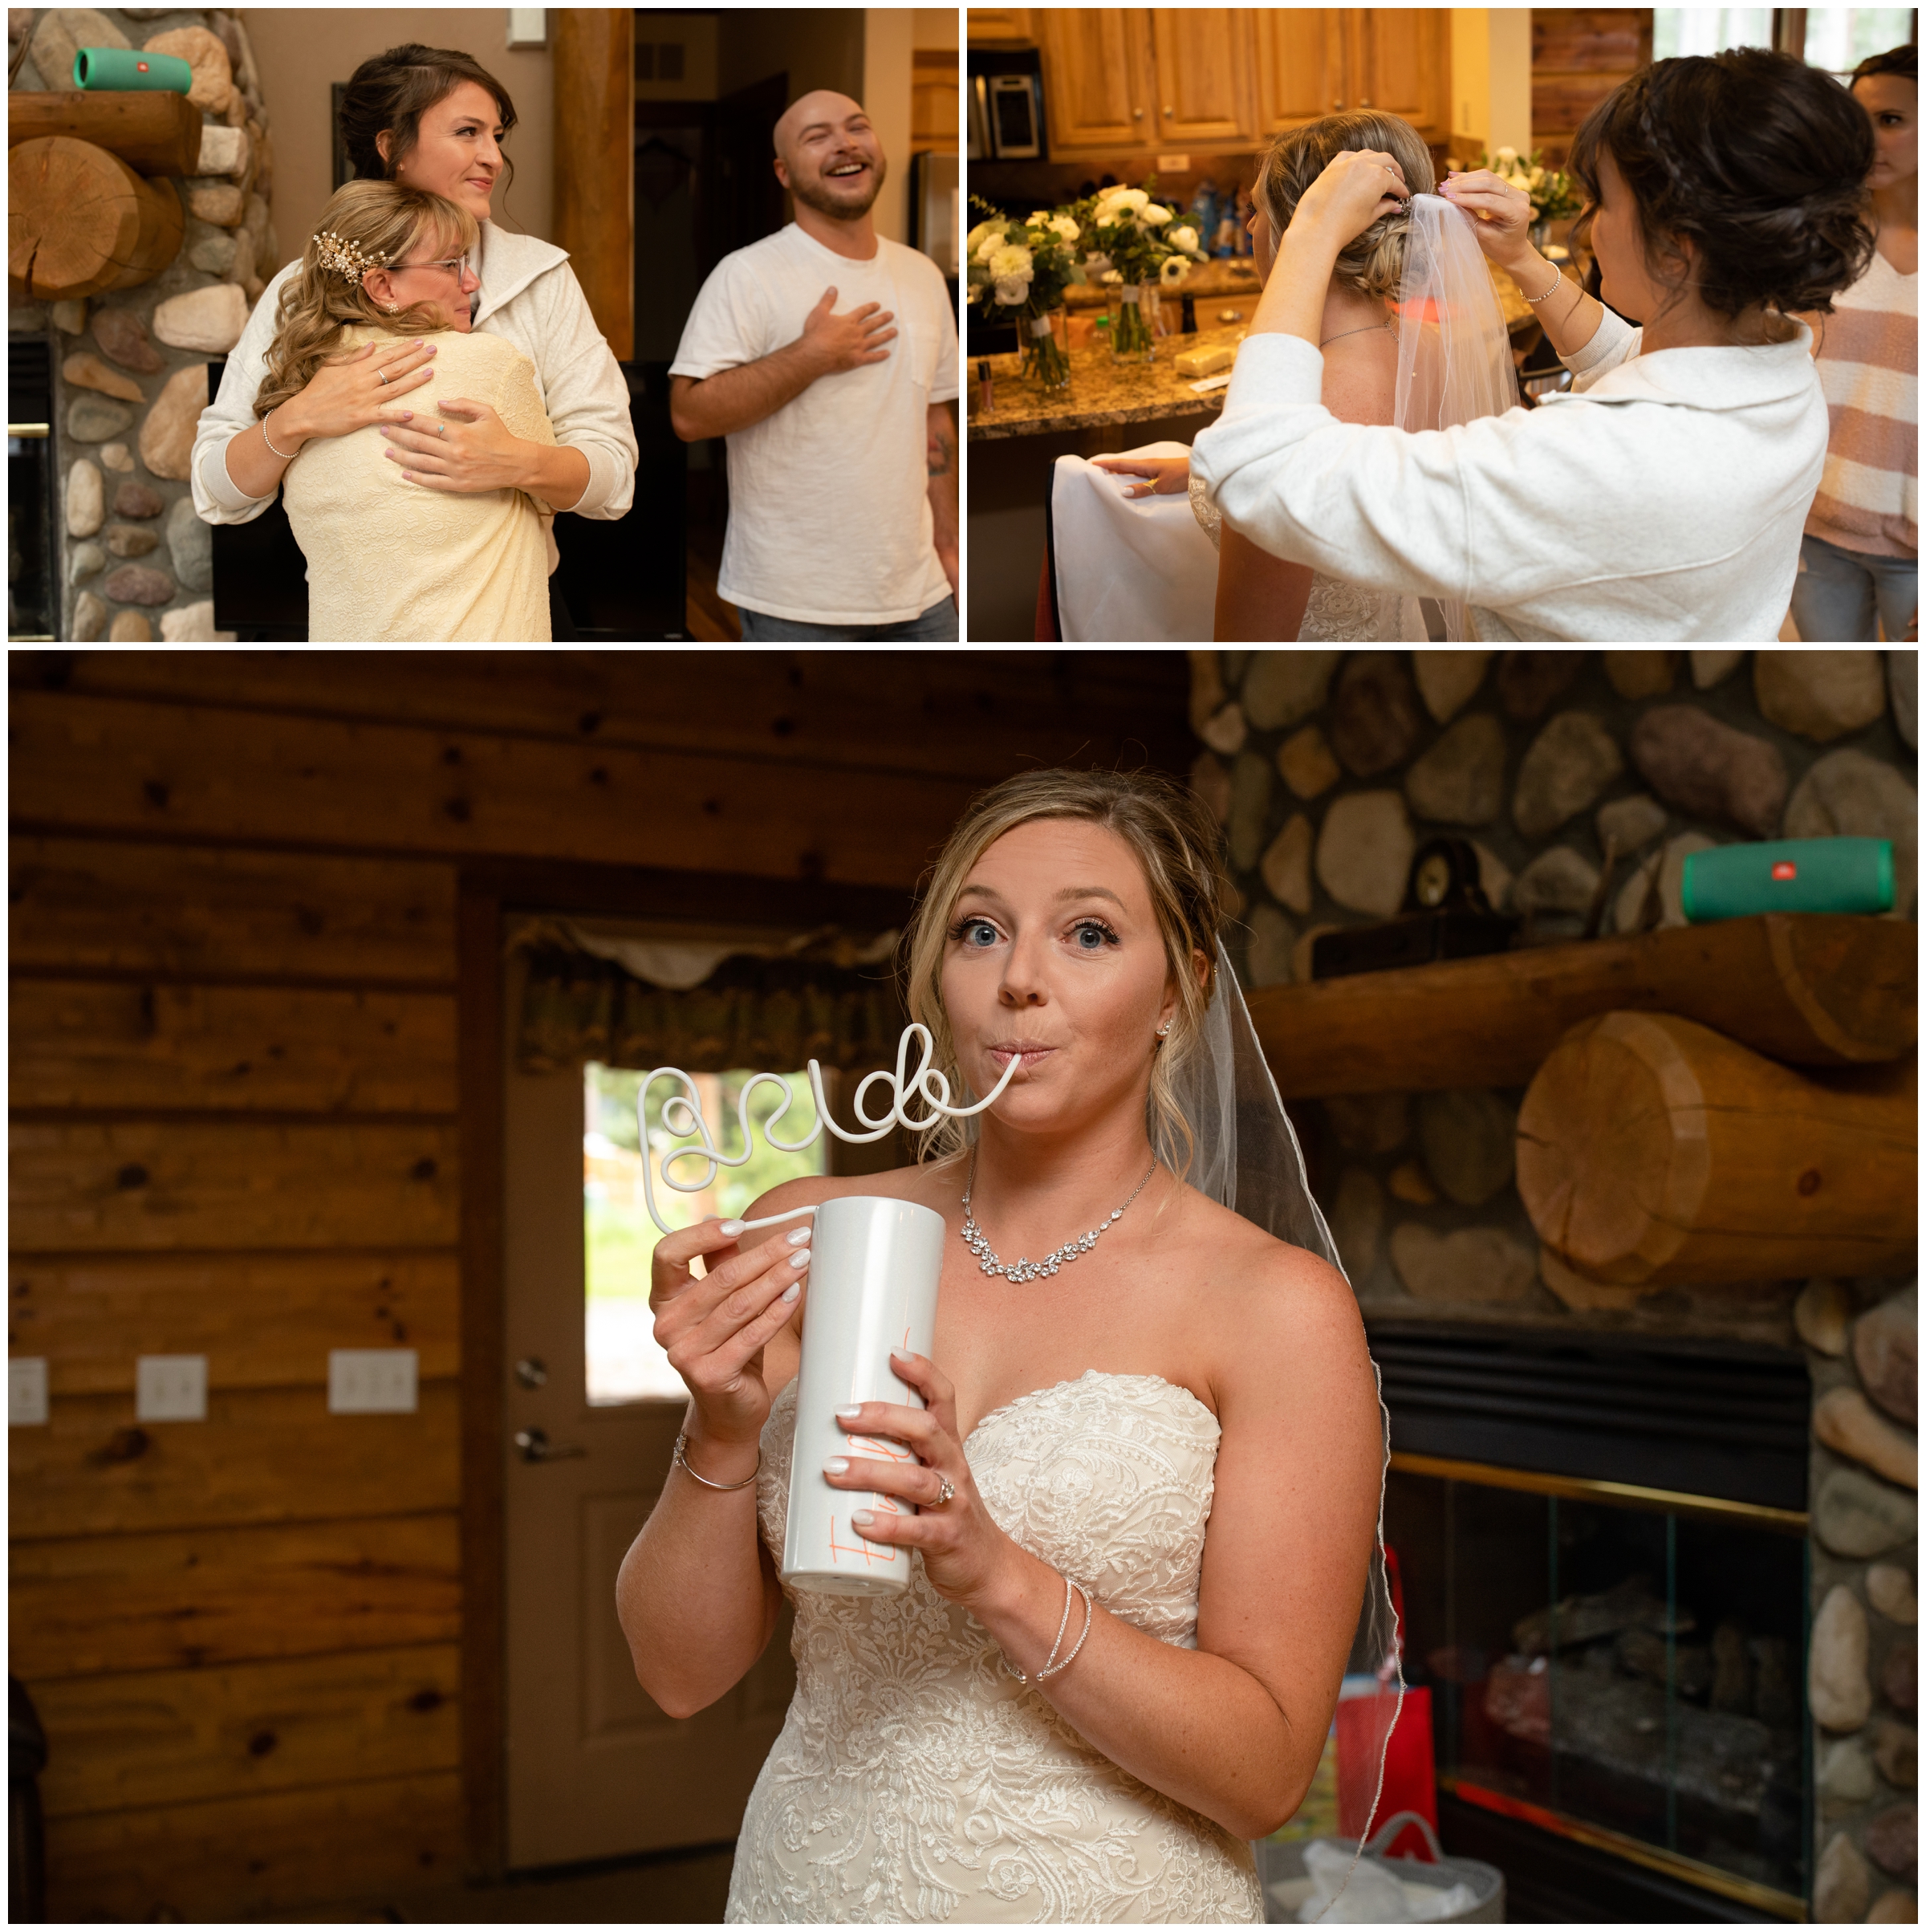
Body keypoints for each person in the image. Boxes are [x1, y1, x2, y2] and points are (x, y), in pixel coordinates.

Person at [616, 767, 1385, 1924]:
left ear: (1177, 988)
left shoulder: (1274, 1305)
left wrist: (998, 1573)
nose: (1021, 977)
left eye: (1087, 932)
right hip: (813, 1883)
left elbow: (1269, 1771)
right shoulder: (812, 1231)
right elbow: (678, 1675)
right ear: (938, 982)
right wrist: (718, 1427)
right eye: (981, 930)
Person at [1190, 49, 1876, 643]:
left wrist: (1307, 234)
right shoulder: (1782, 367)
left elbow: (1258, 475)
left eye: (1601, 201)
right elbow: (1630, 359)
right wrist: (1522, 260)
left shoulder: (1590, 462)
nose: (1588, 228)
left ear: (1677, 250)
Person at [192, 43, 636, 640]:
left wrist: (517, 462)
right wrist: (297, 419)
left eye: (497, 135)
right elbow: (216, 492)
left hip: (507, 612)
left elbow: (614, 478)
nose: (494, 157)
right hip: (356, 617)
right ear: (390, 148)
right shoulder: (300, 289)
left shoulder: (540, 278)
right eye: (468, 132)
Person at [1084, 111, 1516, 641]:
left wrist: (1250, 460)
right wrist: (1202, 471)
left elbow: (1249, 644)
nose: (1248, 227)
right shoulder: (1429, 349)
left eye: (1256, 210)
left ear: (1304, 228)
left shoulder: (1302, 409)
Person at [668, 91, 960, 641]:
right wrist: (811, 356)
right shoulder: (747, 275)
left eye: (857, 127)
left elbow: (934, 421)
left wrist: (950, 545)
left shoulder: (923, 275)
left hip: (923, 591)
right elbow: (689, 414)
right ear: (783, 172)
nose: (845, 143)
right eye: (817, 136)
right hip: (795, 597)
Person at [258, 181, 557, 641]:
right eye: (451, 265)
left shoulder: (300, 384)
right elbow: (554, 496)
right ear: (381, 285)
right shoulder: (491, 364)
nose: (471, 282)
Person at [1791, 42, 1917, 642]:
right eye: (1858, 121)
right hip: (1818, 531)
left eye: (1891, 121)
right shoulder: (1821, 239)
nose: (1868, 140)